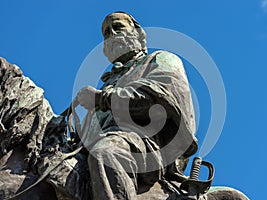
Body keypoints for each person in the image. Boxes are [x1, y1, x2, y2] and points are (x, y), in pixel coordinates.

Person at [75, 11, 198, 200]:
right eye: (107, 32)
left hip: (146, 144)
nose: (112, 35)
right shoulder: (109, 82)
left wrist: (101, 99)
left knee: (106, 153)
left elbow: (156, 100)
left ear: (138, 34)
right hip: (101, 142)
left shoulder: (160, 59)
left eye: (118, 27)